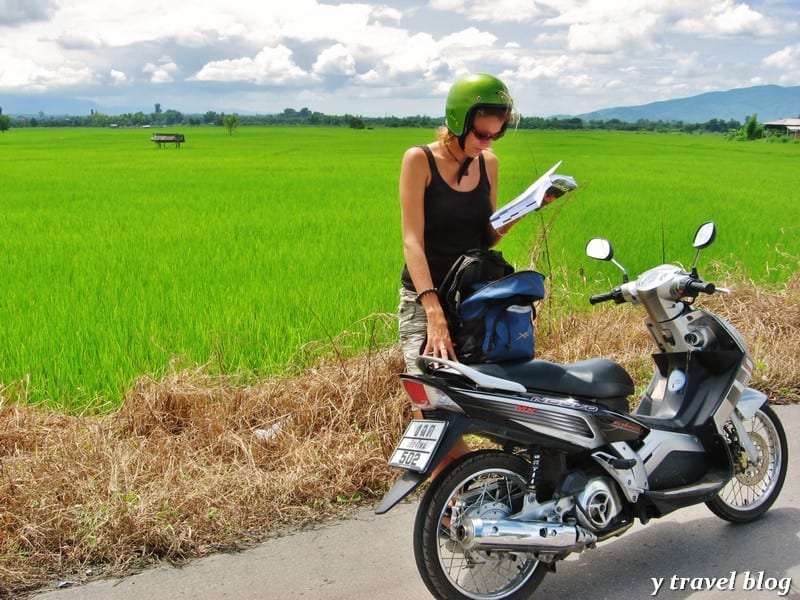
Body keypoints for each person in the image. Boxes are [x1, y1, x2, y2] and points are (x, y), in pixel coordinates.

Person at [398, 72, 528, 373]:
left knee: (479, 400)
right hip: (425, 300)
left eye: (496, 136)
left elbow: (486, 238)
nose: (487, 143)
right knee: (431, 399)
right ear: (459, 121)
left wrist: (520, 212)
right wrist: (434, 312)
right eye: (482, 135)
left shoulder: (489, 163)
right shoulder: (419, 160)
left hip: (476, 299)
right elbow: (412, 241)